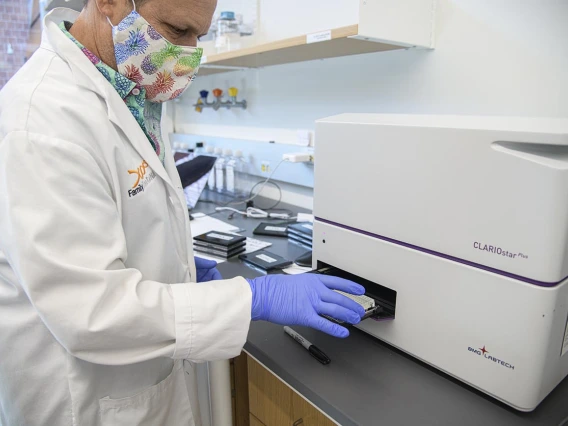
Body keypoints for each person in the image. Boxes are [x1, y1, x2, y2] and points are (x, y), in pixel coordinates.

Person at [0, 0, 366, 424]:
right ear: (109, 3)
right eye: (177, 30)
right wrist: (251, 298)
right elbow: (91, 313)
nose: (190, 53)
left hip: (148, 380)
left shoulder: (127, 86)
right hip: (85, 400)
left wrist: (177, 267)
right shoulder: (41, 125)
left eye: (200, 36)